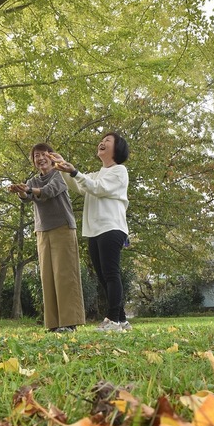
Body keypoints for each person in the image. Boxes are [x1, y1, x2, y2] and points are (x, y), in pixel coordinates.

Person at [51, 132, 132, 332]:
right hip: (95, 230)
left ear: (117, 149)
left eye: (107, 141)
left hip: (111, 227)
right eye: (102, 140)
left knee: (111, 273)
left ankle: (112, 320)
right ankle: (121, 320)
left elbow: (97, 188)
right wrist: (63, 168)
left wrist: (75, 171)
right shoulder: (97, 173)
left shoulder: (120, 171)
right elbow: (80, 186)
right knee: (104, 276)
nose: (102, 142)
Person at [9, 143, 85, 333]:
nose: (40, 158)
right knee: (48, 276)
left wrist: (28, 191)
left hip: (63, 227)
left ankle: (69, 323)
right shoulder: (33, 180)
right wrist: (21, 192)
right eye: (36, 156)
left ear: (51, 157)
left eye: (44, 154)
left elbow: (48, 192)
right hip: (42, 230)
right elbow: (28, 197)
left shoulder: (60, 175)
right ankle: (53, 324)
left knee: (65, 275)